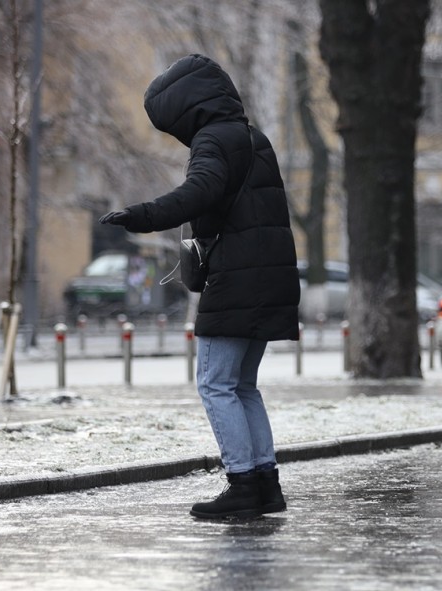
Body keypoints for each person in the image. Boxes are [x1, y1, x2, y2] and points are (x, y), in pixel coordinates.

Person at [98, 54, 300, 520]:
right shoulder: (253, 137)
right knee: (242, 386)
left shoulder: (214, 140)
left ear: (187, 110)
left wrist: (143, 215)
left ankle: (242, 483)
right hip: (269, 277)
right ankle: (266, 484)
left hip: (236, 280)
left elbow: (200, 191)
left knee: (214, 384)